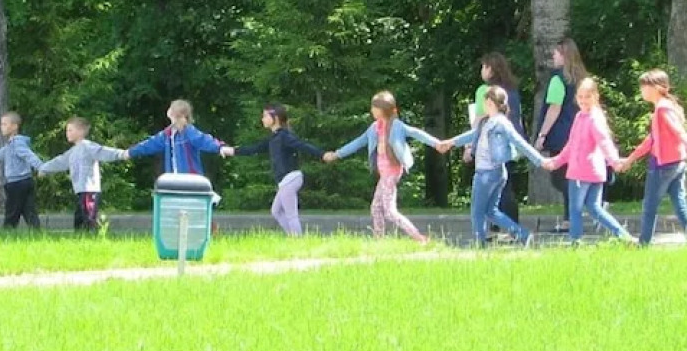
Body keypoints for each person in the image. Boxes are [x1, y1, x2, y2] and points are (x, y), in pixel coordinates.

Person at [438, 86, 547, 247]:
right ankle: (523, 235)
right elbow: (472, 134)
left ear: (490, 102)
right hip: (497, 173)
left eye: (485, 101)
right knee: (491, 211)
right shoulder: (486, 122)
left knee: (477, 211)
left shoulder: (501, 123)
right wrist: (451, 142)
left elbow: (520, 143)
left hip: (487, 173)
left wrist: (540, 160)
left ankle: (479, 244)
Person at [324, 91, 438, 243]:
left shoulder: (396, 126)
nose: (371, 110)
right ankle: (379, 241)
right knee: (376, 208)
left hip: (392, 171)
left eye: (374, 107)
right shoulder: (374, 128)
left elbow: (417, 133)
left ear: (382, 109)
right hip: (384, 174)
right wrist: (337, 154)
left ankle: (419, 238)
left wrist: (437, 143)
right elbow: (358, 142)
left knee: (390, 211)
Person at [616, 70, 687, 245]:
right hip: (677, 163)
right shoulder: (666, 106)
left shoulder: (662, 109)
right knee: (680, 204)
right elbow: (651, 140)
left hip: (663, 165)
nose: (641, 90)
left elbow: (680, 133)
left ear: (656, 88)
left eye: (644, 86)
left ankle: (643, 243)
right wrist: (629, 160)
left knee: (650, 205)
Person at [542, 77, 635, 242]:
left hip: (581, 172)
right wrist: (556, 161)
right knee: (594, 208)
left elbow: (604, 141)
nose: (583, 100)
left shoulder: (593, 118)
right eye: (580, 97)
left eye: (587, 96)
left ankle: (575, 242)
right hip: (595, 172)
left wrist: (614, 161)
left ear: (595, 97)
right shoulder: (580, 116)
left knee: (575, 210)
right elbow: (571, 145)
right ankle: (625, 237)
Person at [221, 104, 325, 237]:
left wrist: (322, 154)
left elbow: (302, 145)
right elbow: (254, 149)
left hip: (291, 178)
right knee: (276, 211)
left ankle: (298, 242)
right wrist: (233, 151)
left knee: (291, 214)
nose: (262, 119)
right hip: (285, 180)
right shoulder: (273, 138)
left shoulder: (284, 136)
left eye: (265, 116)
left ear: (275, 118)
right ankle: (293, 237)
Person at [37, 116, 128, 233]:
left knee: (88, 217)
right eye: (66, 130)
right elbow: (60, 161)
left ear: (80, 131)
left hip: (89, 189)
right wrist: (44, 168)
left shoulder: (88, 146)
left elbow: (103, 151)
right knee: (79, 217)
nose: (67, 133)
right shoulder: (73, 151)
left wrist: (122, 154)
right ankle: (80, 237)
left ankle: (95, 235)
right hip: (80, 190)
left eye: (70, 130)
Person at [467, 53, 526, 226]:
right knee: (506, 186)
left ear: (490, 69)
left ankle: (501, 227)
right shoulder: (512, 91)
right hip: (510, 144)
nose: (481, 71)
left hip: (491, 147)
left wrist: (470, 146)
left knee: (494, 191)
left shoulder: (485, 92)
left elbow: (478, 120)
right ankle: (509, 225)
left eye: (483, 67)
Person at [535, 39, 587, 220]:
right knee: (569, 176)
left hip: (561, 135)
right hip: (579, 132)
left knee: (560, 178)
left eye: (556, 54)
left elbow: (554, 108)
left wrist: (542, 134)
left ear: (564, 56)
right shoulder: (581, 79)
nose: (553, 57)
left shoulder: (557, 80)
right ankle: (569, 218)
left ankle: (577, 210)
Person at [126, 99, 225, 177]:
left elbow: (204, 140)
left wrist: (220, 147)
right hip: (174, 179)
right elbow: (149, 145)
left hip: (190, 180)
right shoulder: (167, 134)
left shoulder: (189, 131)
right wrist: (131, 152)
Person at [0, 111, 44, 230]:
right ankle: (36, 232)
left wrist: (40, 166)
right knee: (28, 210)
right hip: (25, 181)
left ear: (15, 126)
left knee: (12, 212)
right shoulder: (10, 145)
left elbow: (29, 155)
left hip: (17, 183)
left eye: (5, 124)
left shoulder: (17, 143)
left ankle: (6, 233)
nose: (2, 127)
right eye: (1, 124)